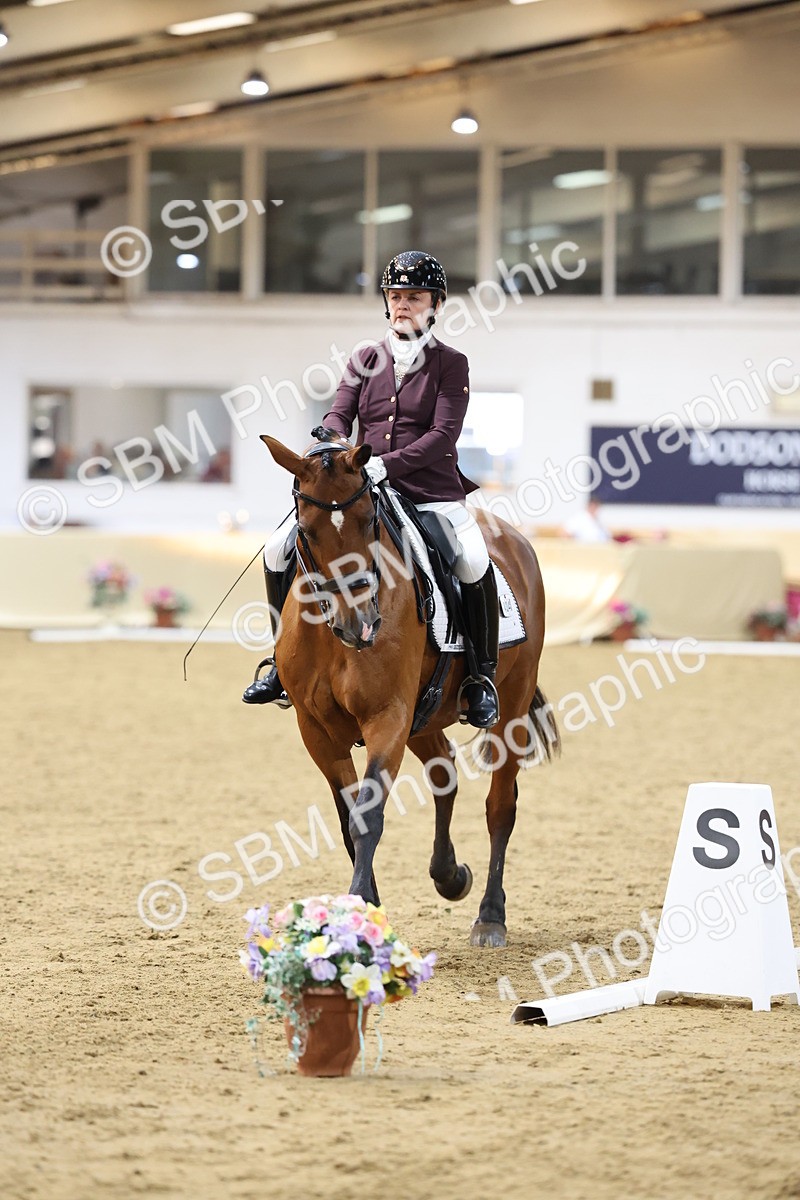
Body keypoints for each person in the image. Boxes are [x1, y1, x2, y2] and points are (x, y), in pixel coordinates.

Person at [243, 249, 500, 728]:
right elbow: (339, 411)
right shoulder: (365, 357)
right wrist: (333, 439)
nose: (403, 305)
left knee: (472, 558)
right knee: (278, 547)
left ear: (436, 304)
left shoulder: (451, 364)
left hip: (430, 491)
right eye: (396, 296)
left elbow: (442, 435)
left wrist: (387, 464)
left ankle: (479, 678)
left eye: (414, 297)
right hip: (364, 491)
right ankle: (281, 661)